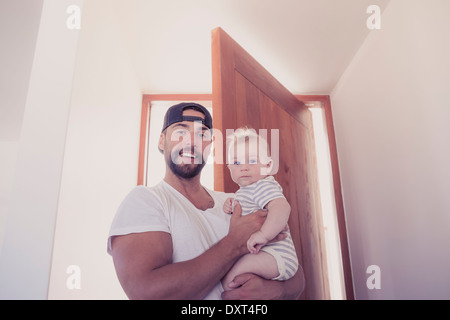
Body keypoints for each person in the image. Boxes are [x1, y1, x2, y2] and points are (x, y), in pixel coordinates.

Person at [107, 102, 304, 299]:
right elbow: (146, 293)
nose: (192, 142)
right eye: (180, 132)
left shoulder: (237, 201)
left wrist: (279, 290)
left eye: (203, 135)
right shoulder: (145, 201)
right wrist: (234, 242)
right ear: (161, 141)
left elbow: (293, 268)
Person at [221, 127, 299, 291]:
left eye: (252, 161)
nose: (244, 167)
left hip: (277, 256)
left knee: (229, 277)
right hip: (267, 255)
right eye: (236, 163)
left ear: (268, 165)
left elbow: (282, 207)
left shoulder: (263, 185)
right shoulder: (247, 191)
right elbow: (246, 206)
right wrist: (231, 204)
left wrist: (264, 234)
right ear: (229, 168)